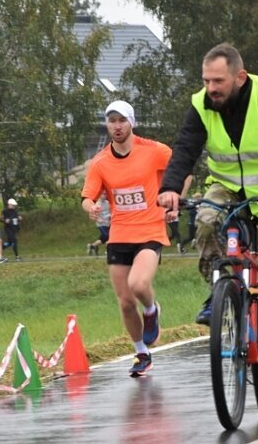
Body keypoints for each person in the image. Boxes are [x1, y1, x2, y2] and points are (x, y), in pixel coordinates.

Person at [157, 43, 258, 399]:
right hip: (227, 189)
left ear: (239, 77)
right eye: (206, 80)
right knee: (206, 218)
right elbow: (185, 149)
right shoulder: (201, 105)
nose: (211, 88)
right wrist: (169, 189)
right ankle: (219, 289)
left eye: (218, 80)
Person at [83, 100, 172, 377]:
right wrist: (92, 208)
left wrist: (172, 197)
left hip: (150, 229)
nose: (117, 126)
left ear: (131, 122)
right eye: (112, 121)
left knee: (138, 283)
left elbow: (183, 169)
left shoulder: (154, 151)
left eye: (122, 120)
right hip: (120, 232)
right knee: (124, 301)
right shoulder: (100, 162)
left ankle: (151, 309)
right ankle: (142, 353)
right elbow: (87, 196)